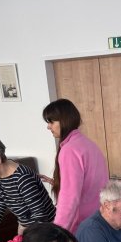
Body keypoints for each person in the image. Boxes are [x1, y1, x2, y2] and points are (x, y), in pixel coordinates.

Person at [42, 98, 109, 234]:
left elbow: (69, 198)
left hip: (82, 226)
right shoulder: (88, 144)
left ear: (64, 121)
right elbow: (91, 183)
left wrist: (57, 232)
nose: (48, 127)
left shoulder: (70, 150)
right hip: (99, 219)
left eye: (51, 122)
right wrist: (59, 182)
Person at [0, 134, 55, 242]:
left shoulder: (22, 178)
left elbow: (40, 215)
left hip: (45, 226)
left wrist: (30, 241)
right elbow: (0, 202)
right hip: (25, 224)